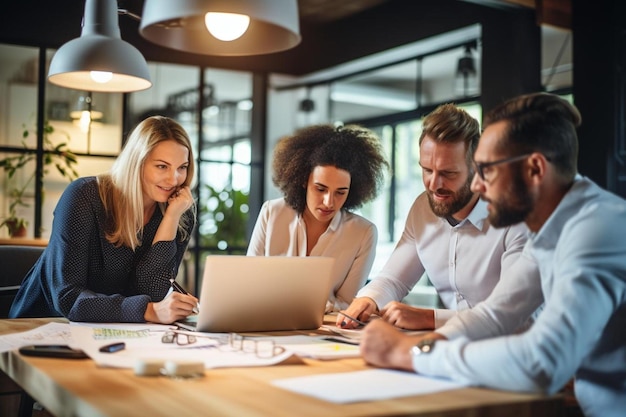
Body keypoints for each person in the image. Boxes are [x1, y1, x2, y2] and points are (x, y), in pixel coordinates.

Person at [360, 93, 626, 417]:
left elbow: (542, 363)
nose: (478, 186)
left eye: (486, 170)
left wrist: (412, 354)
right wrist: (417, 348)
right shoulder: (552, 226)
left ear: (535, 169)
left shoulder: (596, 230)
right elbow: (495, 315)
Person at [338, 104, 534, 330]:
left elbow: (517, 314)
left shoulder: (516, 217)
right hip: (456, 350)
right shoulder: (423, 208)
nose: (434, 185)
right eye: (427, 170)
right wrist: (369, 300)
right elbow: (393, 280)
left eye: (448, 173)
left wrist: (429, 318)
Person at [9, 116, 199, 324]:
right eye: (162, 166)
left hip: (117, 329)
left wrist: (171, 218)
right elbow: (68, 298)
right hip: (45, 323)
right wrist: (149, 311)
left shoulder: (179, 210)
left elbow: (151, 290)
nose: (174, 180)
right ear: (137, 163)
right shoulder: (84, 196)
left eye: (182, 167)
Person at [247, 123, 389, 312]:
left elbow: (347, 303)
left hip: (323, 331)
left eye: (340, 192)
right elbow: (248, 283)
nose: (329, 202)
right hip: (264, 320)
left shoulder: (363, 233)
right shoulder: (272, 213)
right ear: (304, 180)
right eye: (320, 189)